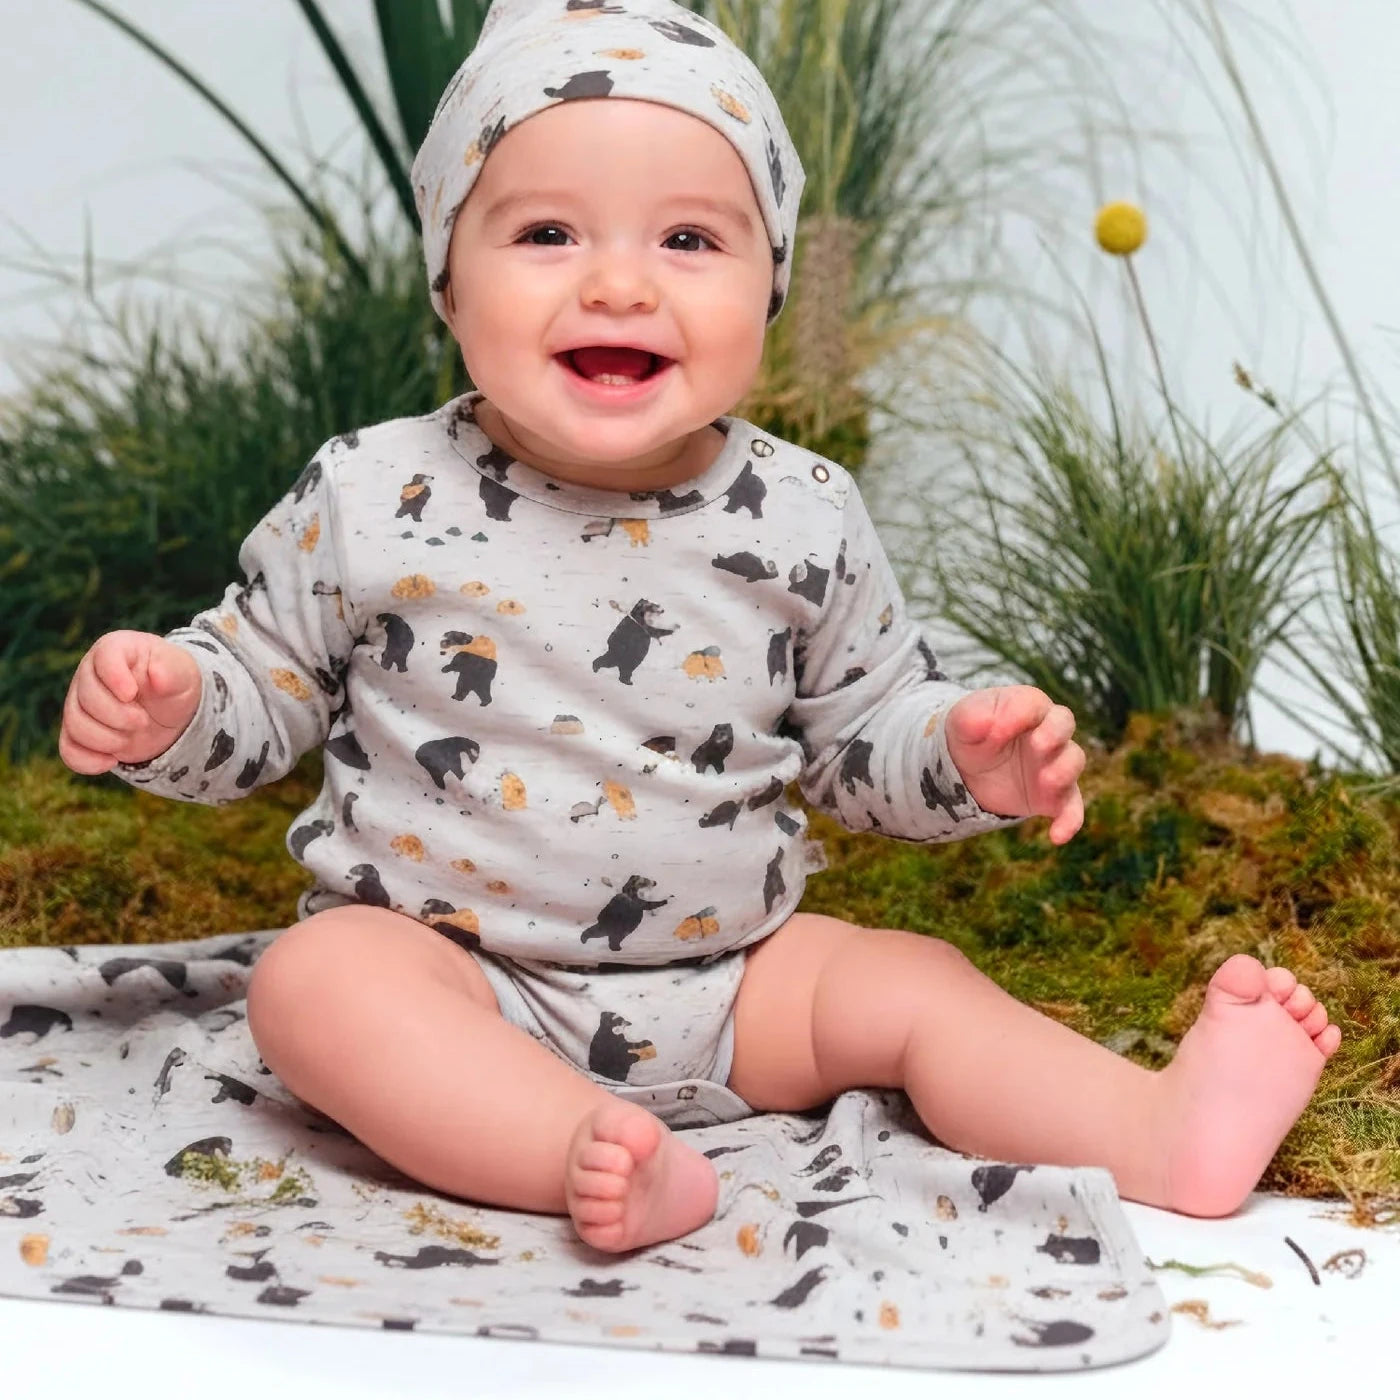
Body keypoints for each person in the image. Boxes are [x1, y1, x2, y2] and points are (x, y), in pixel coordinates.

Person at [59, 0, 1339, 1254]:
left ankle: (1158, 1127)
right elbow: (263, 687)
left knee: (910, 982)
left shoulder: (802, 510)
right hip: (454, 977)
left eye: (687, 240)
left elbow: (858, 737)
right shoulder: (369, 489)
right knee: (313, 987)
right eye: (548, 232)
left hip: (737, 981)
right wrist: (173, 704)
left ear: (769, 289)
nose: (619, 282)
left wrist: (961, 756)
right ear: (448, 281)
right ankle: (572, 1146)